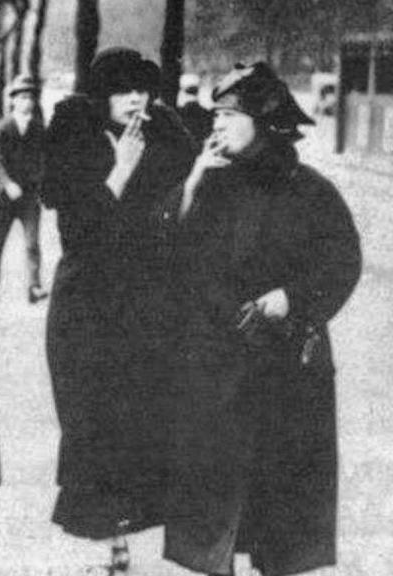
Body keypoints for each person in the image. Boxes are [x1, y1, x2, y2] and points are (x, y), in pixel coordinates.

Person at [162, 62, 361, 576]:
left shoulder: (310, 191)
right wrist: (189, 186)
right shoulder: (208, 181)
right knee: (213, 516)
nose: (216, 125)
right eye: (215, 116)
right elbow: (167, 257)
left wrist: (292, 298)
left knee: (279, 515)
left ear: (264, 121)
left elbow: (342, 262)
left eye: (229, 115)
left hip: (285, 373)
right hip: (215, 369)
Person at [41, 47, 195, 568]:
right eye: (123, 90)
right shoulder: (75, 137)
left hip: (143, 303)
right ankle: (108, 541)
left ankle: (123, 541)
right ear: (101, 95)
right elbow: (80, 234)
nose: (135, 100)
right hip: (85, 302)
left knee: (140, 418)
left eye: (142, 90)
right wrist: (120, 172)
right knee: (91, 419)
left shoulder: (163, 137)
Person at [0, 74, 49, 303]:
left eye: (30, 97)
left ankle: (34, 286)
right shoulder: (2, 128)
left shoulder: (39, 129)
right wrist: (7, 183)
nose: (27, 102)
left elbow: (44, 159)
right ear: (12, 100)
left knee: (32, 242)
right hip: (6, 197)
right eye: (22, 97)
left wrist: (39, 183)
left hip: (29, 196)